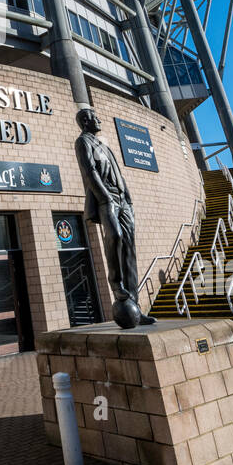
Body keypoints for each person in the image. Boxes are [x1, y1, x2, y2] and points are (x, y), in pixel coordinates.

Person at [74, 107, 155, 329]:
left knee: (129, 251)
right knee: (115, 236)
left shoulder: (104, 145)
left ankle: (135, 307)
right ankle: (115, 282)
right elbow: (89, 171)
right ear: (86, 121)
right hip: (106, 199)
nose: (99, 120)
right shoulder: (83, 142)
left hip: (122, 201)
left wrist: (128, 199)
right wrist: (106, 197)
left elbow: (119, 174)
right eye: (95, 118)